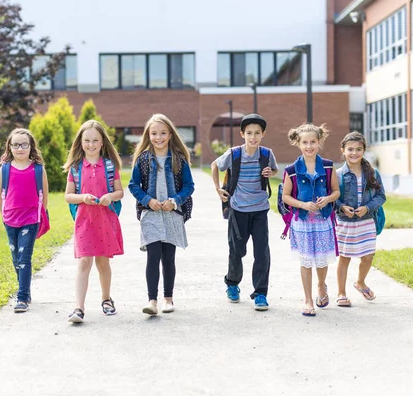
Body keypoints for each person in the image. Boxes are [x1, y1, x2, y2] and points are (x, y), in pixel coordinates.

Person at [128, 114, 195, 316]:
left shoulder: (178, 159)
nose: (158, 137)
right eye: (154, 133)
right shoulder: (143, 159)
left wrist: (174, 200)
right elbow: (133, 185)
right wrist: (147, 199)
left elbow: (189, 186)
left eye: (163, 133)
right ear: (148, 135)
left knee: (168, 257)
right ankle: (152, 300)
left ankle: (168, 299)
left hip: (172, 214)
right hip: (151, 215)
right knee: (153, 256)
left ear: (170, 134)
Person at [211, 113, 278, 311]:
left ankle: (260, 293)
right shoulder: (234, 154)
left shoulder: (266, 153)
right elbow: (215, 165)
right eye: (249, 133)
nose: (253, 137)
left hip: (260, 210)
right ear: (242, 134)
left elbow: (274, 170)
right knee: (237, 250)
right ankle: (232, 283)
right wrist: (217, 188)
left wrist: (270, 173)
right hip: (238, 209)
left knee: (262, 252)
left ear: (263, 134)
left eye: (257, 133)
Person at [63, 120, 124, 323]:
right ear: (80, 142)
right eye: (87, 140)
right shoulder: (75, 168)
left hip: (105, 220)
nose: (91, 144)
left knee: (103, 262)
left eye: (95, 140)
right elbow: (68, 196)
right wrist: (83, 198)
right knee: (84, 261)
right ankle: (78, 308)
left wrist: (110, 196)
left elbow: (119, 192)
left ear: (102, 142)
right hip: (85, 221)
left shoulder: (109, 166)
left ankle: (106, 299)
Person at [281, 124, 340, 317]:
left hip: (323, 221)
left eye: (313, 142)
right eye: (304, 142)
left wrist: (328, 199)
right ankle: (307, 299)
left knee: (322, 260)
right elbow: (286, 197)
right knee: (306, 262)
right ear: (298, 144)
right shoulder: (291, 170)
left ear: (319, 142)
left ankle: (322, 286)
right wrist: (303, 205)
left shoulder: (329, 166)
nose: (309, 146)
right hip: (303, 222)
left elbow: (336, 191)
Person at [0, 128, 49, 313]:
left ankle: (22, 297)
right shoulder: (5, 169)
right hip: (10, 218)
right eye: (16, 145)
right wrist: (3, 215)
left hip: (30, 218)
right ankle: (24, 288)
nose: (20, 148)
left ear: (30, 146)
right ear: (9, 147)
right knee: (15, 258)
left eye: (24, 144)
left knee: (24, 257)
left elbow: (44, 194)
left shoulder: (38, 169)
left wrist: (41, 214)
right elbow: (0, 195)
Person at [335, 131, 386, 307]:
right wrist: (341, 207)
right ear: (343, 150)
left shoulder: (372, 173)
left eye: (358, 149)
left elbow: (381, 196)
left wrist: (368, 207)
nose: (354, 153)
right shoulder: (338, 174)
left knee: (368, 256)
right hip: (344, 223)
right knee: (344, 257)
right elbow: (332, 197)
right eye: (350, 149)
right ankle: (341, 292)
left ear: (364, 150)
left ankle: (360, 282)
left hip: (366, 221)